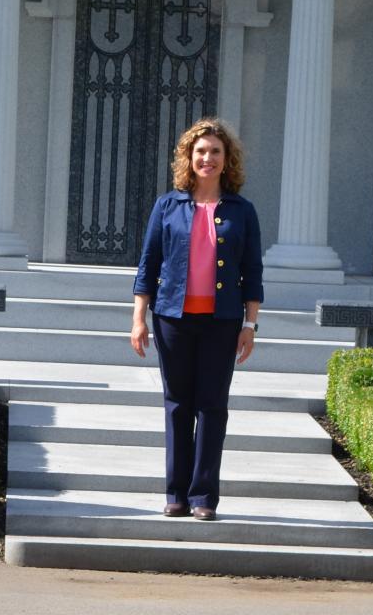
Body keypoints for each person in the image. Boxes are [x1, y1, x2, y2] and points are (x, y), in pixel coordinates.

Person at [130, 116, 264, 521]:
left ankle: (203, 496)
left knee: (212, 406)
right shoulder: (167, 206)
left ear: (227, 160)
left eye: (215, 152)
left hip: (222, 322)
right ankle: (176, 494)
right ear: (189, 158)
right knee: (177, 406)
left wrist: (249, 324)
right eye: (200, 151)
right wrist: (139, 319)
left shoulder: (242, 211)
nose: (207, 158)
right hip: (173, 319)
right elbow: (148, 264)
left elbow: (252, 272)